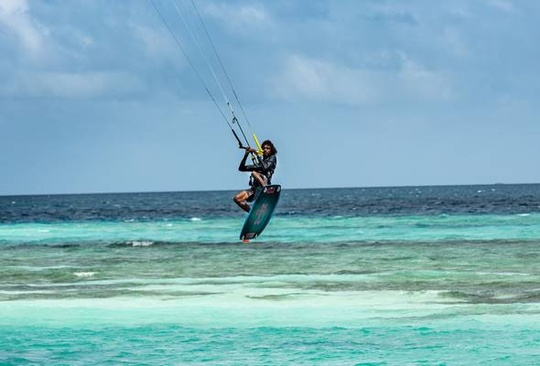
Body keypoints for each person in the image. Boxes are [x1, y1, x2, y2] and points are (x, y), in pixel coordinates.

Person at [233, 140, 277, 213]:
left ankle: (265, 190)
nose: (265, 149)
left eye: (267, 148)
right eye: (264, 148)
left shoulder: (272, 157)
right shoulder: (258, 164)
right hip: (255, 190)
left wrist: (256, 154)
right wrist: (246, 154)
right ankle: (252, 213)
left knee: (254, 173)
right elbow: (241, 168)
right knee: (237, 199)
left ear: (271, 150)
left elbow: (265, 167)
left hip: (265, 185)